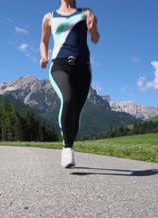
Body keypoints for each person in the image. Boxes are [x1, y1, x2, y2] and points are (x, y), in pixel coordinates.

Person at [40, 0, 100, 168]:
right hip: (59, 65)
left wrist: (93, 28)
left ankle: (69, 144)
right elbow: (43, 41)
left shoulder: (86, 13)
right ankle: (67, 147)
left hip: (83, 69)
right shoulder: (49, 17)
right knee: (68, 99)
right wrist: (44, 56)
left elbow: (95, 39)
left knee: (76, 111)